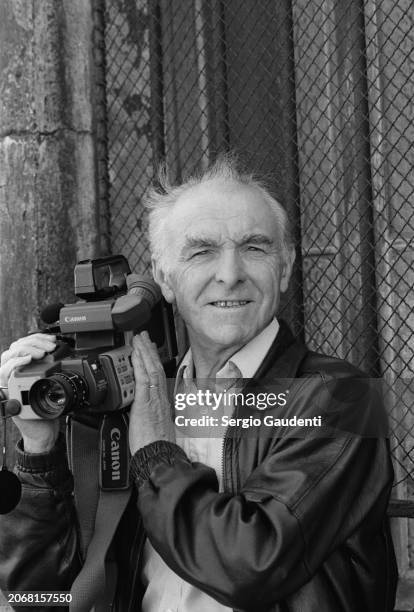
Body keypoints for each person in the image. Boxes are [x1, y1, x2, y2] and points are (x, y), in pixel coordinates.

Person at [0, 158, 397, 611]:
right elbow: (39, 600)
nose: (230, 273)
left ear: (285, 268)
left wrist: (155, 456)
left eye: (255, 248)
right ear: (165, 277)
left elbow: (250, 563)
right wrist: (39, 449)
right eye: (202, 251)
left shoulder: (341, 396)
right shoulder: (132, 401)